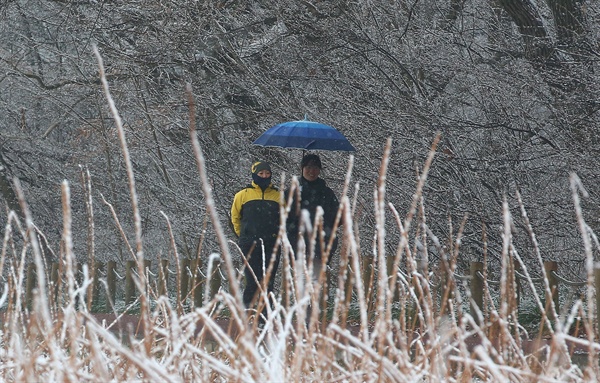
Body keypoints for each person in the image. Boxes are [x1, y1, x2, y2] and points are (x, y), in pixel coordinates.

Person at [231, 161, 281, 308]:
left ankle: (266, 314)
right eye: (261, 173)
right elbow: (234, 217)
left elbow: (285, 218)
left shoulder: (279, 196)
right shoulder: (242, 195)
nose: (264, 176)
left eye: (267, 173)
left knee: (268, 280)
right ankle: (247, 312)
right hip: (249, 243)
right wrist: (243, 235)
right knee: (252, 280)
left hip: (272, 243)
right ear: (254, 174)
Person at [286, 154, 340, 267]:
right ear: (302, 169)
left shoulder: (327, 193)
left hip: (321, 244)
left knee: (317, 279)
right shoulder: (291, 192)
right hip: (297, 243)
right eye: (308, 167)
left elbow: (338, 217)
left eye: (315, 168)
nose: (312, 171)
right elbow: (282, 217)